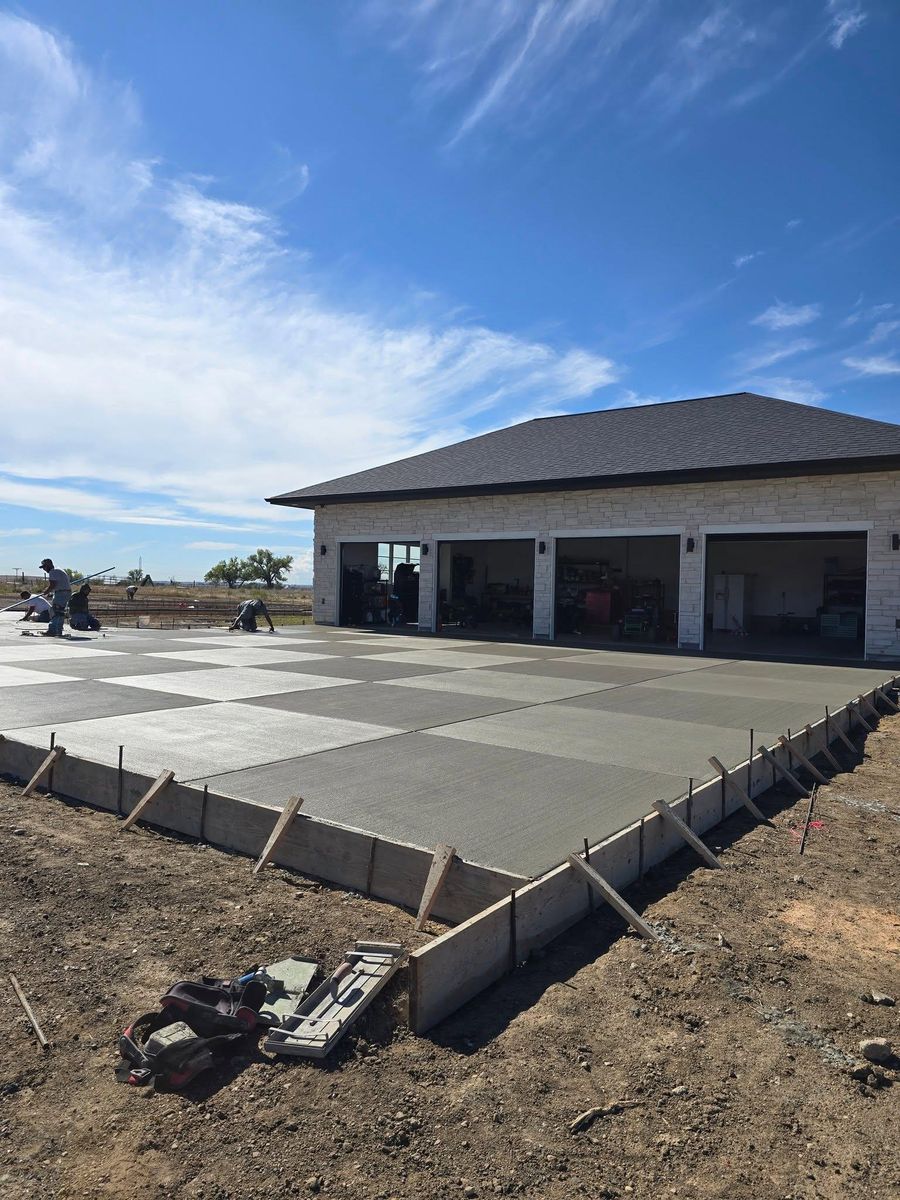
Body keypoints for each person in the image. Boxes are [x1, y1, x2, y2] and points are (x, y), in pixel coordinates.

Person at [39, 558, 71, 638]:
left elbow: (52, 585)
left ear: (48, 566)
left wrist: (46, 592)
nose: (44, 569)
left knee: (56, 612)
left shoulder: (53, 572)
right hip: (64, 592)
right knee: (59, 612)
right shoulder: (58, 570)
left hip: (61, 593)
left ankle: (53, 630)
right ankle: (58, 630)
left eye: (44, 567)